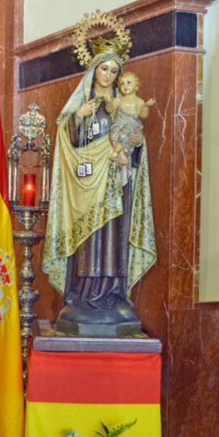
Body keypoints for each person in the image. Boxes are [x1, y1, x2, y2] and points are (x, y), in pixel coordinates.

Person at [42, 47, 156, 336]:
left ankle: (113, 293)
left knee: (115, 236)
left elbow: (132, 143)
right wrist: (78, 117)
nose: (108, 75)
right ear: (94, 70)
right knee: (89, 238)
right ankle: (82, 294)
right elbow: (69, 141)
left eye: (114, 71)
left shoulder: (120, 103)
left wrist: (137, 141)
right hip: (86, 187)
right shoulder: (83, 103)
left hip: (115, 183)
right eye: (104, 69)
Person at [106, 71, 154, 183]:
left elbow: (143, 114)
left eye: (128, 83)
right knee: (115, 134)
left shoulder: (138, 101)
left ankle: (118, 153)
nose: (125, 86)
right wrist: (108, 101)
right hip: (118, 125)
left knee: (124, 134)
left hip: (130, 126)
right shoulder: (119, 100)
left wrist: (146, 106)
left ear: (136, 86)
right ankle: (121, 154)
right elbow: (110, 109)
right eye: (122, 84)